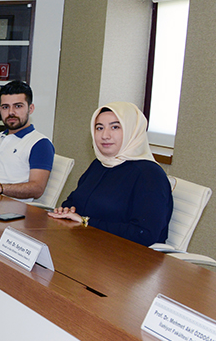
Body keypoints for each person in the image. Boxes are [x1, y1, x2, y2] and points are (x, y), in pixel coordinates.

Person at [49, 101, 172, 247]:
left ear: (132, 131)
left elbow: (144, 234)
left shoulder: (150, 175)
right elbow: (74, 200)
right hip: (88, 244)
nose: (105, 135)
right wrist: (67, 210)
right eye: (99, 128)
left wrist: (86, 222)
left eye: (115, 127)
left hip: (127, 254)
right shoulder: (99, 164)